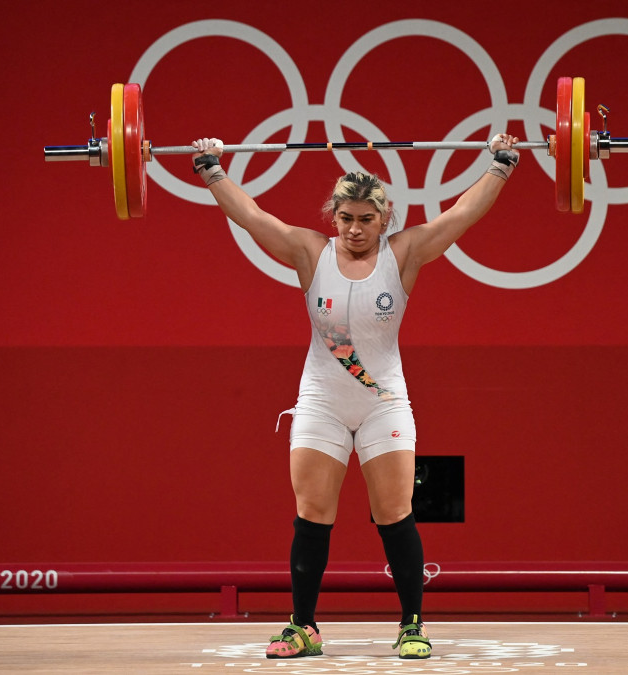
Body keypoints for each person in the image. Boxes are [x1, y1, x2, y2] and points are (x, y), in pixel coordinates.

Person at [190, 132, 520, 659]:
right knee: (312, 509)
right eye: (346, 218)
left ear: (383, 220)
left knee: (394, 510)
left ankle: (412, 625)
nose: (355, 229)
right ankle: (303, 627)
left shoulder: (404, 253)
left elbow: (460, 216)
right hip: (321, 397)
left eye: (366, 219)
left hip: (383, 401)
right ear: (334, 217)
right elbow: (253, 217)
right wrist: (211, 169)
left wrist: (501, 164)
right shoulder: (309, 252)